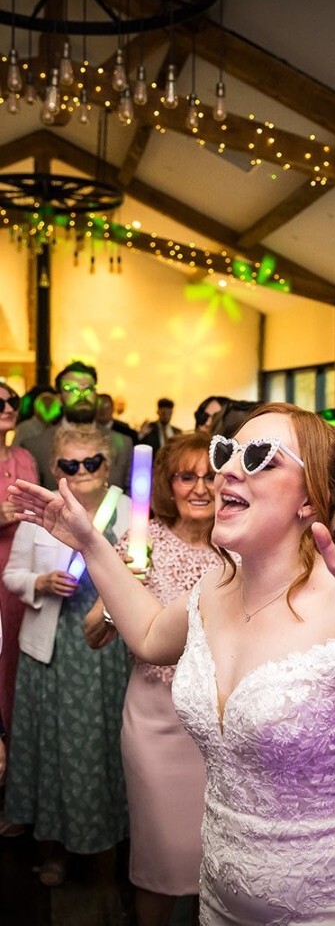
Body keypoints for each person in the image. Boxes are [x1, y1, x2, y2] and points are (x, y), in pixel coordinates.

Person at [9, 402, 335, 925]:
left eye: (259, 457)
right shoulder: (214, 591)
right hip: (224, 895)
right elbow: (152, 636)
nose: (227, 468)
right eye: (226, 451)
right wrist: (90, 542)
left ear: (311, 496)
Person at [85, 432, 216, 926]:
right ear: (169, 483)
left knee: (224, 852)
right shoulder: (144, 542)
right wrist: (125, 598)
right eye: (187, 477)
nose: (200, 488)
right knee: (161, 850)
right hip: (156, 720)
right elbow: (93, 633)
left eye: (210, 476)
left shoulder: (240, 548)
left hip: (224, 719)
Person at [3, 424, 131, 886]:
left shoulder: (129, 511)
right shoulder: (40, 511)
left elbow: (143, 573)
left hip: (104, 653)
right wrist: (38, 583)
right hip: (50, 651)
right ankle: (52, 848)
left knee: (101, 749)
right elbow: (13, 574)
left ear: (106, 465)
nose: (81, 473)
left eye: (91, 463)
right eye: (70, 465)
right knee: (50, 750)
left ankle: (105, 845)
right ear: (55, 469)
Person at [19, 361, 134, 493]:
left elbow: (130, 500)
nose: (81, 395)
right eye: (72, 389)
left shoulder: (122, 444)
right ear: (60, 398)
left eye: (88, 388)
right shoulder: (36, 447)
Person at [0, 381, 38, 749]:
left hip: (25, 569)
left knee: (15, 654)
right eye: (0, 402)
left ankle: (15, 750)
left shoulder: (24, 457)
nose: (9, 406)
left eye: (13, 400)